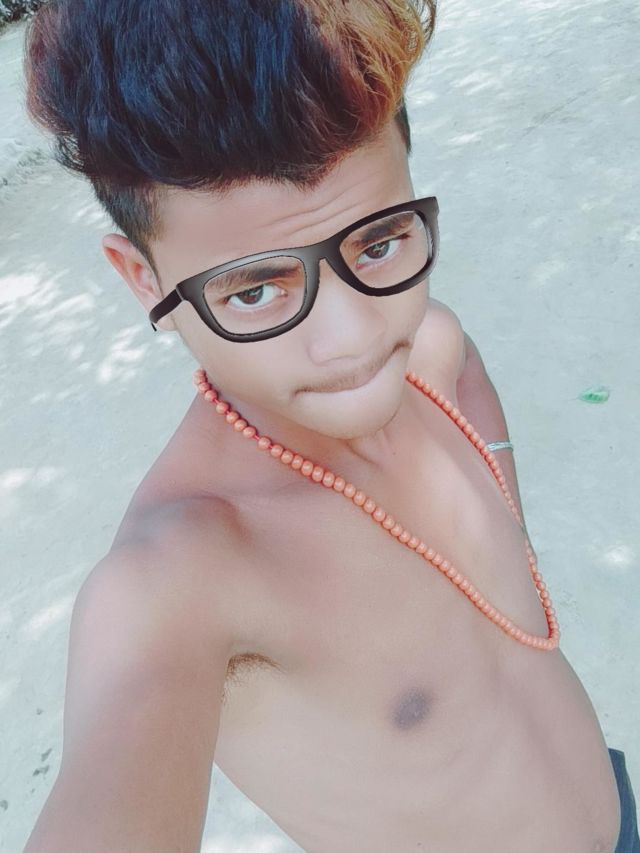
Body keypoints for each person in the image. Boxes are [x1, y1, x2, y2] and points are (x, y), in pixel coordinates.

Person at [20, 1, 638, 851]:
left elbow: (464, 370)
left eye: (379, 243)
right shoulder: (177, 582)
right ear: (142, 279)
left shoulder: (434, 348)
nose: (352, 339)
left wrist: (507, 528)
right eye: (254, 289)